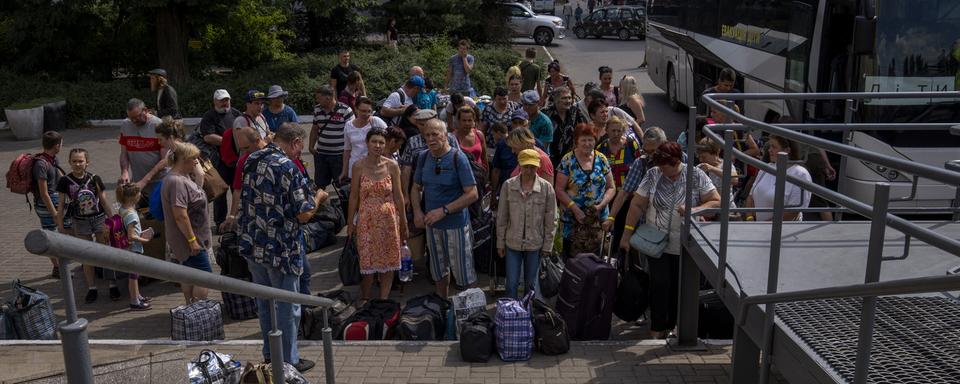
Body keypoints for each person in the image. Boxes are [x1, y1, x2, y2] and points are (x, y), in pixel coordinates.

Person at [239, 124, 328, 373]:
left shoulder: (251, 159)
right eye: (300, 148)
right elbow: (304, 214)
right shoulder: (287, 166)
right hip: (281, 248)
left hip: (254, 242)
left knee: (265, 303)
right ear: (296, 142)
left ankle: (270, 354)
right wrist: (319, 198)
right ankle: (288, 360)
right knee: (288, 306)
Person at [619, 142, 720, 339]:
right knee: (660, 284)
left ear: (676, 162)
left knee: (679, 287)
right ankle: (656, 327)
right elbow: (637, 204)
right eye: (661, 167)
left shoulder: (695, 175)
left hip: (685, 244)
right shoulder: (653, 174)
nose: (663, 171)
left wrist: (695, 210)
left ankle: (673, 325)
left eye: (666, 167)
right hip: (656, 243)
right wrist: (626, 234)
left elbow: (716, 201)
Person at [411, 119, 479, 297]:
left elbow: (472, 194)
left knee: (464, 274)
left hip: (456, 225)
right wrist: (417, 211)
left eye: (435, 134)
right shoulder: (423, 157)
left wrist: (444, 211)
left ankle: (471, 315)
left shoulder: (458, 157)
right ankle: (442, 307)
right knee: (438, 272)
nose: (431, 138)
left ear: (445, 134)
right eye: (427, 135)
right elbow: (415, 187)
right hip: (432, 227)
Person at [347, 128, 407, 302]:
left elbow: (399, 195)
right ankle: (366, 299)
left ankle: (383, 300)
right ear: (367, 143)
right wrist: (351, 223)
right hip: (366, 220)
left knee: (388, 262)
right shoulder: (358, 166)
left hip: (389, 220)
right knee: (367, 261)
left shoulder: (392, 166)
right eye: (374, 141)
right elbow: (353, 197)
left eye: (381, 142)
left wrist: (403, 221)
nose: (378, 145)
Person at [496, 149, 557, 299]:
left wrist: (548, 245)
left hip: (535, 244)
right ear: (520, 165)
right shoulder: (508, 186)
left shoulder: (546, 188)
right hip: (512, 243)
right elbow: (502, 216)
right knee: (511, 284)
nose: (529, 170)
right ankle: (511, 316)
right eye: (526, 166)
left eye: (532, 166)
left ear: (537, 166)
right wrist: (500, 243)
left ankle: (529, 315)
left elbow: (551, 219)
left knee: (531, 285)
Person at [56, 148, 115, 303]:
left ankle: (112, 284)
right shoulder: (64, 181)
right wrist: (60, 225)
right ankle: (92, 288)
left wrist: (113, 220)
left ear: (87, 162)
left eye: (80, 161)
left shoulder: (95, 178)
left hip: (99, 218)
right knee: (86, 254)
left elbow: (103, 201)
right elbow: (61, 204)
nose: (77, 164)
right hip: (80, 221)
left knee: (106, 252)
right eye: (74, 161)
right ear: (69, 162)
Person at [161, 142, 212, 304]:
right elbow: (180, 215)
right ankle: (199, 308)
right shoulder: (177, 182)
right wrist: (192, 241)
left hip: (191, 237)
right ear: (184, 159)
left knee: (189, 272)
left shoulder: (181, 177)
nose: (197, 162)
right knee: (204, 275)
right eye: (194, 159)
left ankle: (191, 306)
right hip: (191, 240)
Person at [555, 123, 616, 258]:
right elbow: (559, 190)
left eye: (590, 140)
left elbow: (611, 187)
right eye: (583, 140)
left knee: (597, 260)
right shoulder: (568, 160)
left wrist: (601, 206)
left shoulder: (601, 159)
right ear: (576, 141)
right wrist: (575, 210)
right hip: (573, 220)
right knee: (572, 260)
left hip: (598, 219)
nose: (587, 143)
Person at [607, 126, 668, 248]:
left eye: (653, 151)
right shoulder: (641, 162)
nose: (649, 155)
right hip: (646, 223)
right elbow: (624, 192)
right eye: (646, 151)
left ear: (664, 145)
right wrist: (611, 217)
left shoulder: (680, 159)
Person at [195, 89, 241, 228]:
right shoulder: (209, 116)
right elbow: (208, 137)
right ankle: (220, 222)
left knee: (238, 190)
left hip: (236, 160)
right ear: (215, 101)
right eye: (221, 100)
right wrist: (229, 141)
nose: (224, 103)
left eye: (226, 100)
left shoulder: (236, 113)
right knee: (220, 192)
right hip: (219, 161)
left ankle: (237, 221)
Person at [597, 116, 642, 249]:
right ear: (607, 131)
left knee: (625, 226)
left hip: (628, 196)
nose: (616, 134)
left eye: (619, 131)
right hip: (609, 195)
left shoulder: (631, 144)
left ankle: (623, 255)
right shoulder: (601, 148)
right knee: (609, 226)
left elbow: (641, 165)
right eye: (613, 131)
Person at [744, 135, 812, 222]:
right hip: (759, 228)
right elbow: (750, 196)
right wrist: (750, 219)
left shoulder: (800, 174)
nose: (769, 150)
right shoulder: (767, 167)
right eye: (769, 146)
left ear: (787, 150)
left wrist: (762, 227)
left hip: (784, 231)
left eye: (774, 147)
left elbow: (792, 213)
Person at [119, 98, 167, 207]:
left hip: (159, 182)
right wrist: (125, 171)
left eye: (137, 117)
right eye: (132, 118)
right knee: (141, 218)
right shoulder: (126, 125)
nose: (135, 121)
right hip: (138, 183)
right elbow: (123, 153)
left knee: (160, 218)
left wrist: (145, 180)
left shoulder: (159, 125)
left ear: (145, 110)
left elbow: (165, 160)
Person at [33, 131, 68, 278]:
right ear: (56, 145)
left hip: (55, 200)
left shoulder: (53, 159)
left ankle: (60, 265)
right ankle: (57, 268)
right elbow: (44, 193)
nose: (61, 146)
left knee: (62, 231)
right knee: (51, 235)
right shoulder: (41, 164)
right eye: (61, 144)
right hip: (45, 204)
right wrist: (53, 212)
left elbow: (61, 177)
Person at [309, 85, 355, 191]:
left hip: (339, 156)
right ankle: (321, 206)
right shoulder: (317, 110)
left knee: (343, 184)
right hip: (321, 155)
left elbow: (353, 133)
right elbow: (315, 129)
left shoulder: (346, 110)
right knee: (320, 184)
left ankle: (345, 206)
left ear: (328, 98)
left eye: (319, 98)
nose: (317, 100)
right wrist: (311, 147)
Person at [116, 183, 153, 311]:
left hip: (127, 248)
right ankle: (134, 301)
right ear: (133, 197)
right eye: (138, 193)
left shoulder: (122, 209)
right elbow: (131, 236)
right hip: (133, 249)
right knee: (133, 276)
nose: (140, 195)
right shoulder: (131, 215)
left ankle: (138, 296)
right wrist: (144, 239)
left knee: (134, 275)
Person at [222, 127, 267, 232]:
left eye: (246, 147)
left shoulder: (279, 154)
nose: (244, 152)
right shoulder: (243, 161)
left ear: (257, 140)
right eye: (241, 149)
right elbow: (237, 190)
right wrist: (232, 215)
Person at [341, 97, 388, 185]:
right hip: (355, 167)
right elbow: (347, 150)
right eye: (363, 111)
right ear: (356, 109)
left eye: (369, 111)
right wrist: (344, 170)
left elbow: (389, 139)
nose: (366, 114)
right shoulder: (348, 125)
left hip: (374, 167)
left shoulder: (376, 122)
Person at [696, 137, 740, 219]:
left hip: (728, 212)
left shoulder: (725, 164)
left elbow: (735, 180)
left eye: (704, 157)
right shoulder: (702, 168)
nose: (701, 160)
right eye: (699, 157)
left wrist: (712, 169)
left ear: (715, 153)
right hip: (711, 213)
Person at [544, 86, 587, 165]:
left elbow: (584, 130)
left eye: (569, 98)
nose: (568, 101)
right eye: (564, 98)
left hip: (571, 158)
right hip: (550, 158)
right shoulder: (546, 113)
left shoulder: (575, 112)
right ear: (556, 100)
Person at [454, 106, 488, 171]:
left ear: (473, 121)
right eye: (464, 120)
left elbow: (484, 157)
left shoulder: (479, 135)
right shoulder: (453, 138)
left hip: (479, 175)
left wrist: (486, 175)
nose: (467, 123)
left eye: (469, 120)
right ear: (459, 121)